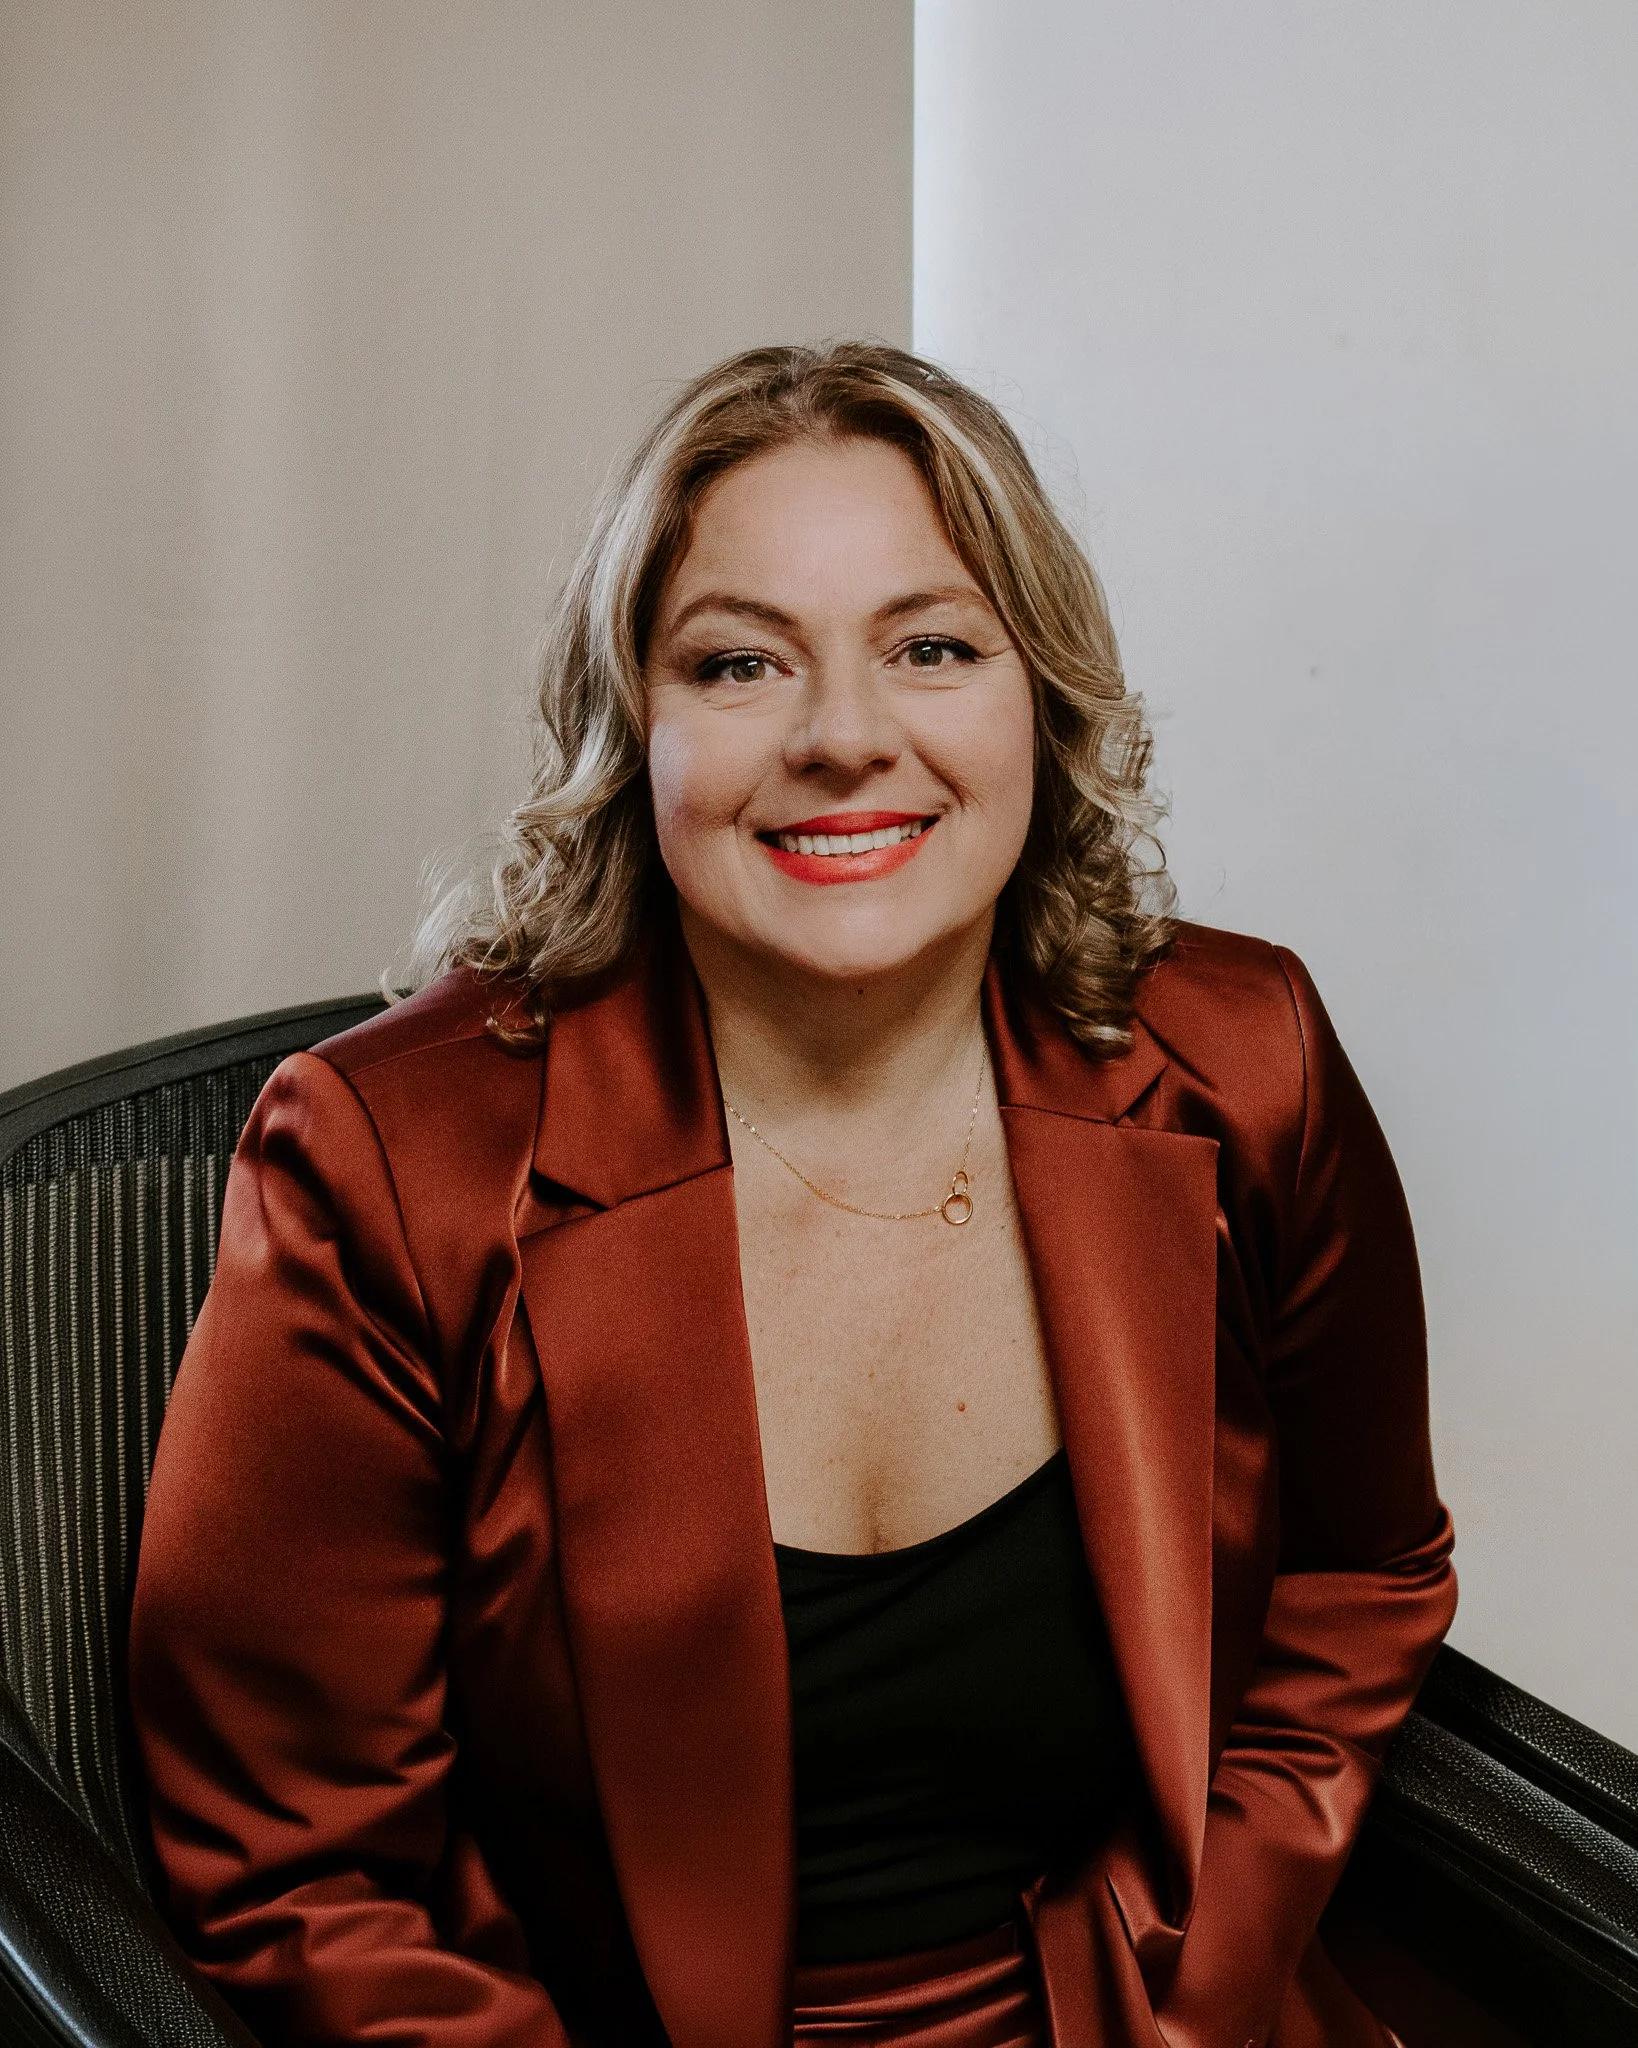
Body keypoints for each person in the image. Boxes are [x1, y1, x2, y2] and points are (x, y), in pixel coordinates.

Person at [129, 342, 1456, 2048]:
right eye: (741, 662)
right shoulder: (392, 1164)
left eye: (931, 647)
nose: (846, 737)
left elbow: (1361, 1573)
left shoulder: (1240, 1055)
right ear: (636, 729)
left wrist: (1192, 1985)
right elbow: (297, 1867)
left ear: (1037, 700)